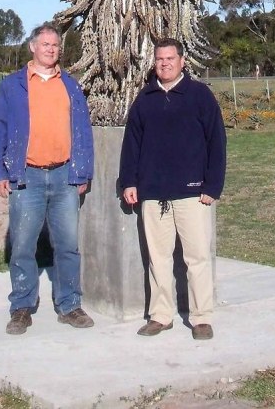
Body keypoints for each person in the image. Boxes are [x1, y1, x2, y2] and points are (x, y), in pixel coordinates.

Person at [0, 22, 95, 335]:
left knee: (67, 245)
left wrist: (82, 171)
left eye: (55, 45)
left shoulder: (71, 85)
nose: (50, 49)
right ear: (32, 47)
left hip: (64, 177)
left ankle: (70, 305)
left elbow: (83, 132)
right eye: (45, 44)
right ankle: (22, 306)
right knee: (22, 245)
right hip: (27, 178)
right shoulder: (13, 85)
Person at [119, 36, 226, 341]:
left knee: (197, 258)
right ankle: (161, 315)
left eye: (169, 59)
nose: (164, 64)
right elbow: (132, 146)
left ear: (182, 61)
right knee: (159, 258)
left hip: (193, 193)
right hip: (153, 195)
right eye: (159, 59)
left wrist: (212, 185)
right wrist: (129, 181)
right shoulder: (145, 99)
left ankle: (201, 317)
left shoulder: (199, 96)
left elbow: (216, 142)